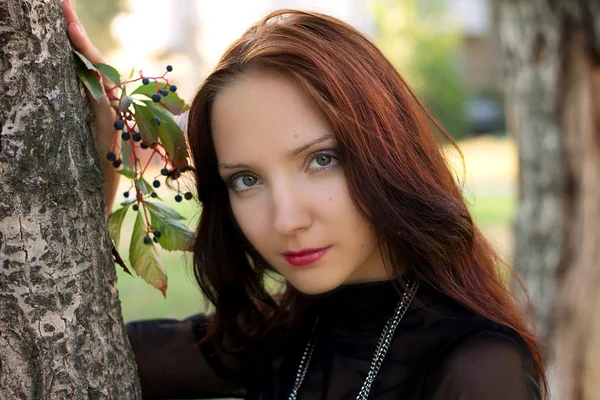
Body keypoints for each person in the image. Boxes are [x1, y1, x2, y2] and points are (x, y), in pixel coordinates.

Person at [62, 1, 547, 399]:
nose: (286, 220)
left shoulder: (478, 369)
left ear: (389, 152)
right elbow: (57, 352)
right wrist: (101, 162)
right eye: (246, 180)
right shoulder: (273, 338)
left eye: (321, 160)